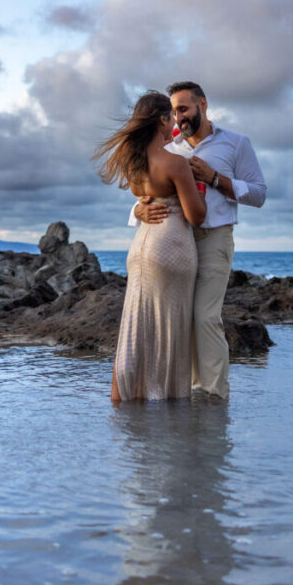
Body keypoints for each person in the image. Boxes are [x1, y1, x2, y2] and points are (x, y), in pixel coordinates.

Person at [132, 81, 266, 399]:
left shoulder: (236, 143)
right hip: (175, 242)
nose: (178, 117)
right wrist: (138, 210)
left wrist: (215, 179)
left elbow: (259, 194)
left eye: (184, 108)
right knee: (179, 316)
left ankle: (215, 393)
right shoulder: (167, 147)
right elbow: (143, 192)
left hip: (215, 239)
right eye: (174, 111)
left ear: (202, 105)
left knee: (205, 316)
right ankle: (189, 390)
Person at [94, 90, 206, 402]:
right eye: (171, 117)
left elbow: (142, 201)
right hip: (171, 246)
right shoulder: (175, 163)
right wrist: (203, 185)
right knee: (168, 331)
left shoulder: (133, 166)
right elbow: (196, 216)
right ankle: (166, 407)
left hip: (140, 247)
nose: (175, 123)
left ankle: (127, 405)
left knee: (135, 329)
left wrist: (142, 209)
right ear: (162, 121)